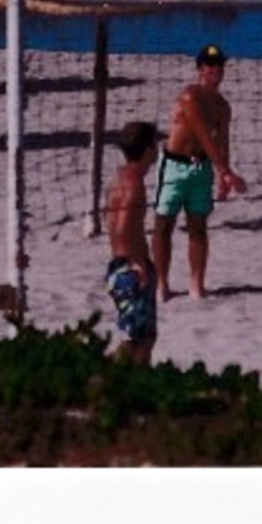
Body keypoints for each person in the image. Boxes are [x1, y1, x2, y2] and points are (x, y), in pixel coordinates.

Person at [152, 43, 249, 302]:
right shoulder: (189, 97)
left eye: (219, 66)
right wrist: (225, 171)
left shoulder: (222, 107)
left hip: (201, 168)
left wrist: (223, 176)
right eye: (210, 66)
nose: (216, 70)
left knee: (198, 227)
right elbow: (202, 135)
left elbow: (221, 142)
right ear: (200, 69)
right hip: (173, 166)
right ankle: (161, 284)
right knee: (163, 225)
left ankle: (196, 284)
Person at [103, 120, 159, 364]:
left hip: (119, 265)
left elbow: (110, 222)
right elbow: (123, 227)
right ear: (148, 150)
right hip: (130, 268)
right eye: (155, 144)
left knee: (139, 338)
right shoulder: (134, 184)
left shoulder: (120, 177)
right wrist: (137, 263)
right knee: (138, 340)